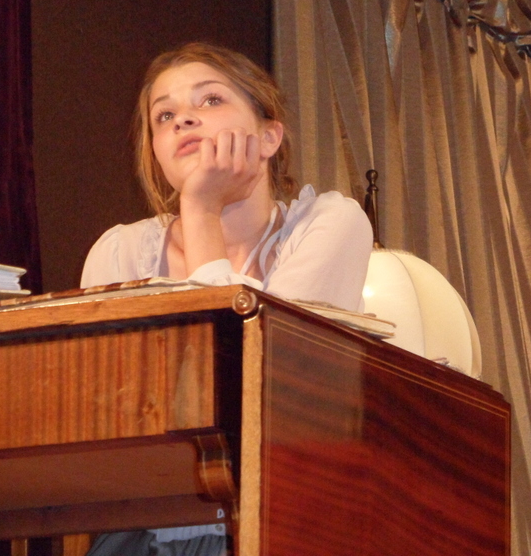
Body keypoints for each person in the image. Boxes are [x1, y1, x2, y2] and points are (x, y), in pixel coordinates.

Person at [81, 43, 373, 556]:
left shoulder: (332, 222)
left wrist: (201, 209)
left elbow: (256, 382)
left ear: (269, 136)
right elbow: (106, 414)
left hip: (281, 516)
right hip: (145, 518)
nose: (183, 119)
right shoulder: (120, 251)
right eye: (164, 115)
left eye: (211, 100)